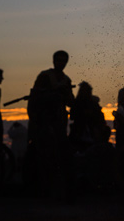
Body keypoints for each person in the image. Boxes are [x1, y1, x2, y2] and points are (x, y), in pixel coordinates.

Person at [27, 50, 75, 198]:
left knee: (60, 156)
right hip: (44, 122)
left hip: (59, 123)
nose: (61, 63)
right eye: (58, 60)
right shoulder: (45, 76)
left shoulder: (66, 80)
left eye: (63, 61)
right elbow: (35, 98)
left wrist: (64, 94)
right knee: (43, 157)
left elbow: (70, 102)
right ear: (53, 61)